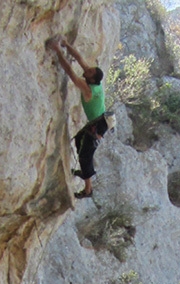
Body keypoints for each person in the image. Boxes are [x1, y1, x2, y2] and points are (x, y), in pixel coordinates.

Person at [48, 36, 107, 199]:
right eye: (89, 70)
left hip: (99, 125)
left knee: (85, 154)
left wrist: (58, 50)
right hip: (100, 121)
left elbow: (71, 74)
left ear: (91, 79)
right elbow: (80, 59)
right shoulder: (95, 81)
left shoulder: (89, 90)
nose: (86, 70)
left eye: (89, 72)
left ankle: (88, 189)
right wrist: (67, 44)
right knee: (79, 139)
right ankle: (85, 172)